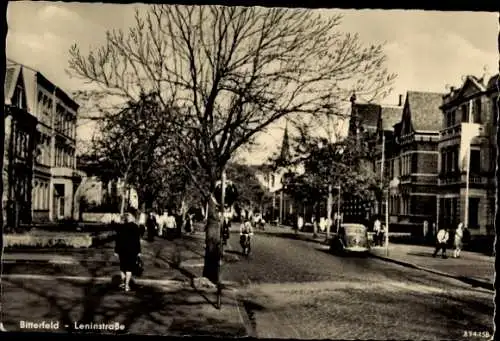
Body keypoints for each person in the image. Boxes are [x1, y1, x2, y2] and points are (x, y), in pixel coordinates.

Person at [114, 213, 142, 292]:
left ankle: (123, 282)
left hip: (122, 250)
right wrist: (139, 251)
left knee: (123, 267)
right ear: (131, 218)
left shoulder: (121, 227)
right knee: (129, 268)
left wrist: (116, 251)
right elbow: (137, 241)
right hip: (132, 250)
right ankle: (127, 285)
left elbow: (117, 240)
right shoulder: (135, 227)